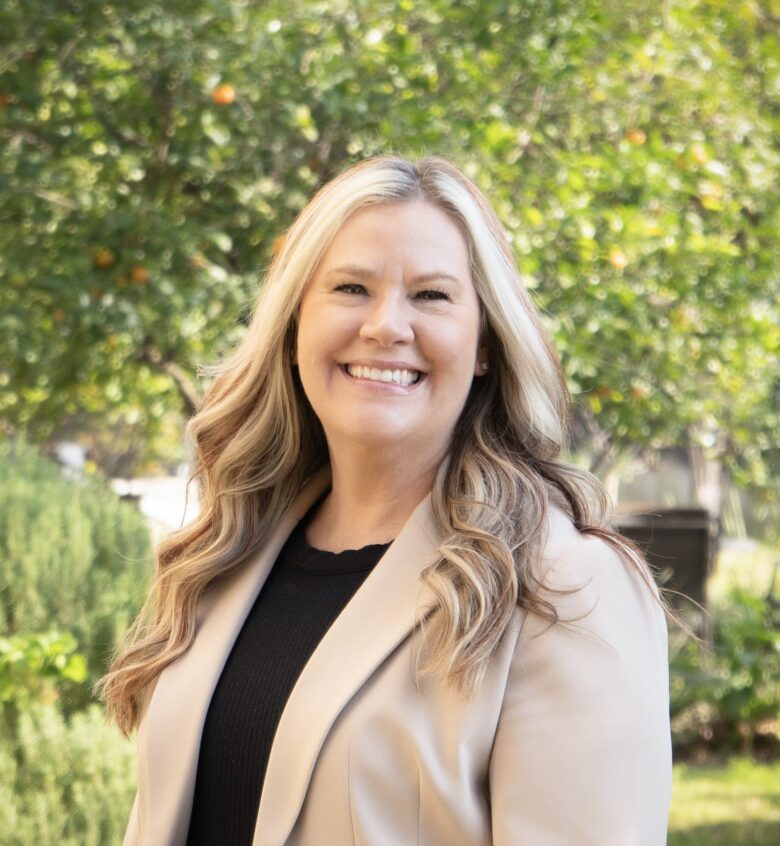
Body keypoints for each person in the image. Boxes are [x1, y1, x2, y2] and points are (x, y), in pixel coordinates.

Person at [99, 155, 673, 845]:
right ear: (293, 328)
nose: (385, 327)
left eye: (431, 295)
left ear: (485, 343)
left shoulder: (564, 588)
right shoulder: (224, 556)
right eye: (350, 288)